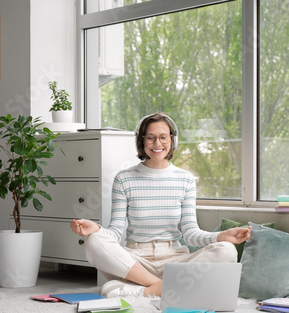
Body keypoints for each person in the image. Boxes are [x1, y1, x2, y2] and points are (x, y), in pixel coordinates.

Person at [70, 112, 251, 298]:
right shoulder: (124, 179)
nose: (157, 144)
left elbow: (190, 234)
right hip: (136, 262)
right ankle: (163, 286)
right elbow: (115, 233)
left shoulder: (185, 179)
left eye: (163, 137)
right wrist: (96, 229)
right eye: (151, 138)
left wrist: (222, 236)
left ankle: (146, 291)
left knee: (227, 250)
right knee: (94, 241)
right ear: (141, 141)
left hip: (176, 261)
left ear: (173, 140)